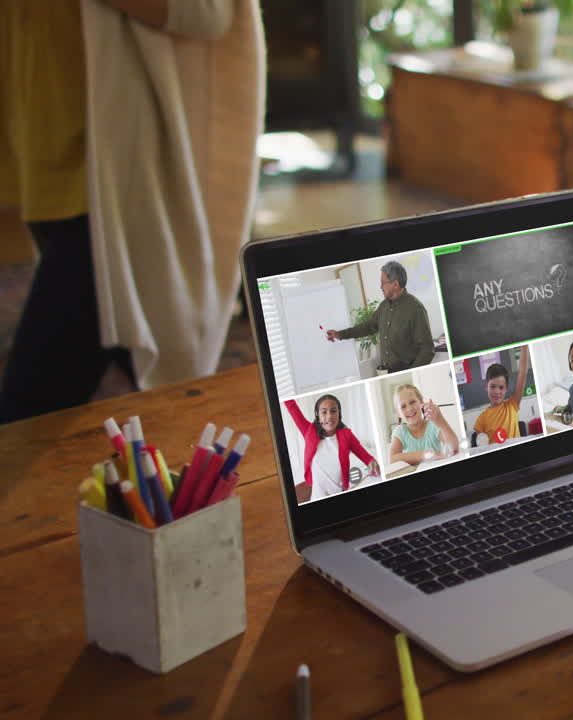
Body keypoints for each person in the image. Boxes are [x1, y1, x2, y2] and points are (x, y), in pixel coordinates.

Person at [0, 0, 265, 423]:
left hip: (116, 184)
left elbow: (209, 11)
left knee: (26, 411)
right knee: (146, 384)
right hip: (47, 162)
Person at [326, 260, 435, 373]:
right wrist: (340, 334)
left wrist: (413, 372)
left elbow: (427, 349)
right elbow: (368, 327)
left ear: (395, 284)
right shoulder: (384, 306)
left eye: (383, 282)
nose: (380, 286)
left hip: (406, 370)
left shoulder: (415, 308)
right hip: (387, 370)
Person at [284, 396, 379, 503]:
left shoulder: (347, 435)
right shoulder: (308, 431)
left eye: (333, 411)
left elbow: (366, 457)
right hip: (317, 497)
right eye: (324, 412)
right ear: (318, 416)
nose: (329, 416)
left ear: (339, 414)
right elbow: (292, 407)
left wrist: (373, 464)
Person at [388, 383, 460, 466]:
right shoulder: (400, 432)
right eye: (403, 406)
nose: (409, 408)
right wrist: (427, 454)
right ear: (398, 413)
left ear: (421, 403)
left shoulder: (433, 425)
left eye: (412, 402)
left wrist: (440, 421)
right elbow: (392, 459)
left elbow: (454, 448)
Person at [473, 345, 530, 444]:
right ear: (486, 386)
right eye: (492, 386)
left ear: (506, 389)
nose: (497, 392)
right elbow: (482, 445)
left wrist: (524, 347)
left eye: (501, 387)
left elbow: (523, 373)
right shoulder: (481, 419)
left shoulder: (512, 404)